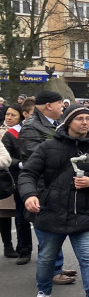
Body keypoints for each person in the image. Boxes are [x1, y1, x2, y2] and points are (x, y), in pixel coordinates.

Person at [20, 104, 89, 297]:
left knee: (88, 258)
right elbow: (27, 174)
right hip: (50, 212)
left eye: (88, 118)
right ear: (68, 121)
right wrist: (30, 195)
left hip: (83, 214)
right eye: (80, 118)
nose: (85, 122)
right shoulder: (48, 147)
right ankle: (43, 293)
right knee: (46, 258)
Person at [20, 90, 79, 281]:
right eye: (61, 103)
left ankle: (56, 266)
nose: (63, 107)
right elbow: (35, 155)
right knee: (45, 229)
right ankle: (51, 272)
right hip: (41, 185)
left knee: (54, 227)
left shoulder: (53, 123)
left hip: (55, 183)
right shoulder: (31, 126)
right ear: (49, 106)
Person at [1, 104, 32, 263]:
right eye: (7, 114)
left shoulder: (29, 132)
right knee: (14, 216)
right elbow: (6, 157)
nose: (9, 117)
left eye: (13, 115)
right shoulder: (9, 135)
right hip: (12, 179)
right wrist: (20, 164)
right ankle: (19, 248)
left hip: (32, 177)